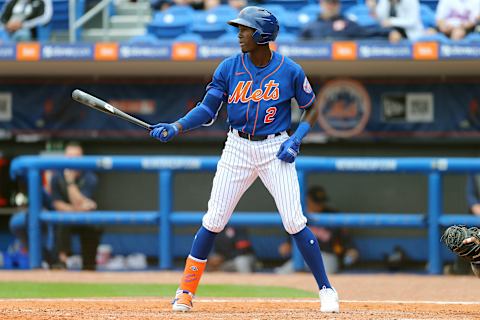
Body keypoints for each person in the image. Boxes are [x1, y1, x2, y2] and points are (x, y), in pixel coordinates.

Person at [150, 6, 339, 313]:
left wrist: (295, 139)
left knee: (294, 220)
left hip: (274, 147)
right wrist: (177, 126)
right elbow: (207, 109)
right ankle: (185, 290)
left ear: (262, 35)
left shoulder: (289, 69)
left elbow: (311, 108)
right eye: (239, 28)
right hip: (237, 146)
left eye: (245, 29)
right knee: (214, 219)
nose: (239, 34)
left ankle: (326, 289)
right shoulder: (228, 67)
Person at [275, 186, 359, 274]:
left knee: (325, 276)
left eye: (321, 202)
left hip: (327, 256)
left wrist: (350, 253)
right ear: (307, 200)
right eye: (316, 202)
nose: (319, 205)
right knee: (281, 274)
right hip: (303, 257)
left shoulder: (333, 216)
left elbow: (350, 246)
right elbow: (288, 245)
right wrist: (286, 248)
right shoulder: (298, 216)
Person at [50, 141, 101, 271]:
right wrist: (76, 209)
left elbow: (82, 204)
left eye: (76, 157)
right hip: (66, 218)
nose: (73, 161)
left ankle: (89, 266)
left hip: (84, 219)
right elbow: (57, 204)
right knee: (61, 220)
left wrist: (70, 182)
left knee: (95, 225)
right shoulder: (57, 176)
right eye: (70, 157)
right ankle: (62, 263)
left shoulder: (90, 177)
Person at [300, 0, 389, 41]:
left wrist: (389, 33)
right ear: (321, 3)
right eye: (328, 2)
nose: (331, 6)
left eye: (334, 2)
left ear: (339, 4)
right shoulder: (311, 26)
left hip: (345, 67)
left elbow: (369, 33)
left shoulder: (348, 24)